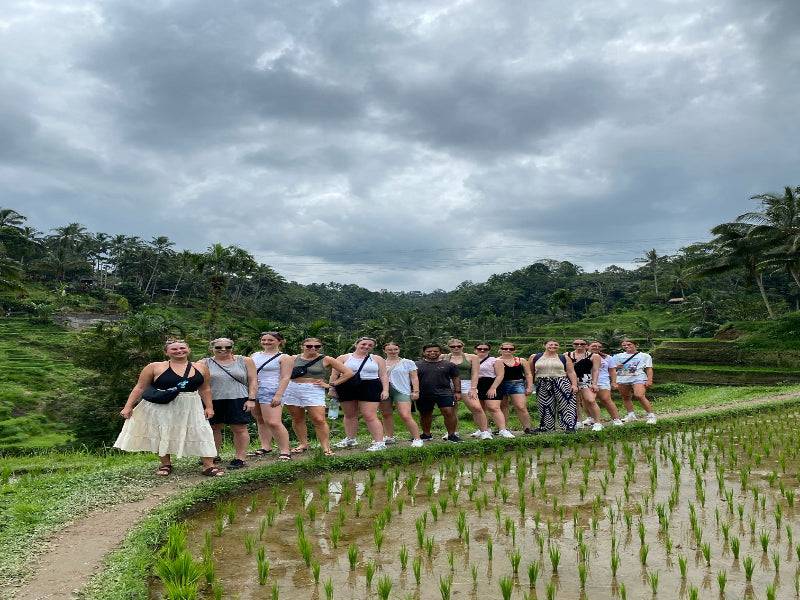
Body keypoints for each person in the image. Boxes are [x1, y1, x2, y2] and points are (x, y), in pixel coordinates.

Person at [114, 339, 224, 477]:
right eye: (174, 349)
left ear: (188, 350)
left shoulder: (200, 367)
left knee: (202, 431)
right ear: (166, 352)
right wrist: (128, 406)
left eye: (182, 348)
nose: (179, 351)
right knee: (162, 432)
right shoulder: (155, 367)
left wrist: (209, 407)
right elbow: (140, 387)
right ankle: (165, 464)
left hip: (191, 405)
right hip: (162, 406)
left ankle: (208, 465)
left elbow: (205, 388)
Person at [285, 337, 353, 456]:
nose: (313, 348)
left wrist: (330, 385)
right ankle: (303, 444)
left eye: (317, 346)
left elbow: (348, 373)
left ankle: (326, 447)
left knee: (319, 419)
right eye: (309, 346)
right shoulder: (292, 358)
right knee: (297, 418)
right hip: (292, 388)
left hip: (313, 389)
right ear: (302, 346)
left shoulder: (326, 359)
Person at [200, 338, 258, 470]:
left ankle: (240, 458)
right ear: (212, 349)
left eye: (227, 347)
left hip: (238, 398)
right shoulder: (205, 362)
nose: (223, 350)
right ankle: (213, 454)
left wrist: (251, 399)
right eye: (219, 347)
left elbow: (253, 380)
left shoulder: (245, 361)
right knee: (214, 428)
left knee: (239, 428)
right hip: (213, 399)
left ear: (233, 348)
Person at [329, 337, 390, 452]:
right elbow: (334, 375)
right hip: (346, 386)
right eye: (363, 344)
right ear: (356, 344)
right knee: (349, 414)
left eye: (370, 345)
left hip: (370, 386)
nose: (366, 346)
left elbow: (383, 375)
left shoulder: (377, 359)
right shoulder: (343, 358)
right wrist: (332, 389)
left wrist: (385, 390)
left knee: (369, 415)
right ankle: (350, 439)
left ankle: (379, 442)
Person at [251, 331, 293, 460]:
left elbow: (286, 377)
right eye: (264, 340)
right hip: (254, 390)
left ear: (279, 341)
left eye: (270, 340)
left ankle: (285, 450)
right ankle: (265, 446)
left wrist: (279, 395)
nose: (266, 342)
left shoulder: (284, 357)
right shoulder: (255, 355)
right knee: (260, 419)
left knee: (274, 422)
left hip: (272, 390)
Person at [444, 338, 491, 440]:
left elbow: (475, 373)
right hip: (449, 383)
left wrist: (473, 388)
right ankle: (452, 432)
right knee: (451, 410)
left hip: (466, 383)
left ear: (463, 346)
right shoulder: (444, 358)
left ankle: (485, 431)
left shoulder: (472, 357)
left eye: (458, 346)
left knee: (476, 407)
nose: (456, 348)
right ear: (449, 347)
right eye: (453, 346)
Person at [530, 340, 579, 432]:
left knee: (567, 404)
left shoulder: (564, 357)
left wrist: (574, 385)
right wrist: (530, 385)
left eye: (556, 345)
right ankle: (546, 427)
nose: (553, 346)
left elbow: (571, 372)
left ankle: (569, 426)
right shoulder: (535, 357)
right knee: (544, 405)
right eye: (550, 344)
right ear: (545, 345)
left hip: (561, 381)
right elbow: (531, 372)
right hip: (542, 382)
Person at [415, 344, 461, 442]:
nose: (432, 353)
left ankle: (451, 435)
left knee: (449, 412)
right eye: (429, 351)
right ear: (424, 353)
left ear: (440, 352)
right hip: (424, 393)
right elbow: (412, 378)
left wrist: (458, 391)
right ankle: (426, 434)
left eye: (435, 351)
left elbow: (456, 378)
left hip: (445, 392)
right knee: (425, 414)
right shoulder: (417, 365)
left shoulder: (449, 364)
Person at [381, 342, 424, 447]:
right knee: (386, 414)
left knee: (405, 415)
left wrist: (416, 391)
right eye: (389, 350)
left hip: (402, 390)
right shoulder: (380, 362)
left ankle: (417, 438)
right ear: (385, 351)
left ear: (399, 349)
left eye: (395, 349)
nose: (393, 352)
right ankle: (389, 437)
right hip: (384, 390)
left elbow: (414, 377)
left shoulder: (407, 362)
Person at [610, 339, 656, 424]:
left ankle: (651, 415)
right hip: (622, 378)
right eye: (624, 345)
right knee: (625, 397)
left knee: (639, 395)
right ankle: (631, 415)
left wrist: (649, 380)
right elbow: (611, 368)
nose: (627, 346)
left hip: (638, 377)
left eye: (629, 344)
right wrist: (617, 366)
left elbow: (649, 368)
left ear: (636, 345)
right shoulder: (617, 356)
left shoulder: (645, 356)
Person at [566, 339, 604, 432]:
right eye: (576, 343)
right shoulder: (567, 355)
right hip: (570, 380)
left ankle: (598, 422)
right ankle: (578, 421)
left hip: (586, 380)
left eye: (582, 344)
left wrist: (594, 383)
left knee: (590, 400)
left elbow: (595, 370)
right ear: (573, 345)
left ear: (586, 345)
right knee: (575, 402)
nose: (579, 345)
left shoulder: (594, 356)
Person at [498, 342, 535, 434]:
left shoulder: (521, 360)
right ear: (500, 350)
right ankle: (503, 428)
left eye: (510, 349)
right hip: (500, 384)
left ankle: (527, 428)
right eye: (505, 349)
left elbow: (528, 374)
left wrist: (530, 386)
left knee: (521, 406)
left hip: (517, 384)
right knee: (503, 407)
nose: (508, 350)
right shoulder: (496, 360)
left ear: (514, 350)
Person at [474, 342, 507, 438]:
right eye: (480, 348)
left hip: (491, 383)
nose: (482, 350)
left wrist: (493, 388)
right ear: (475, 350)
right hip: (476, 385)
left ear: (489, 350)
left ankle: (502, 429)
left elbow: (500, 375)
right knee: (478, 409)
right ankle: (483, 429)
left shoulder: (495, 360)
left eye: (485, 349)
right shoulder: (471, 359)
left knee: (494, 407)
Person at [588, 341, 624, 426]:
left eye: (599, 346)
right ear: (588, 346)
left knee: (606, 399)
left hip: (603, 380)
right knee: (588, 401)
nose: (596, 347)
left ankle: (616, 419)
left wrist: (614, 382)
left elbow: (612, 370)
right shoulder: (583, 356)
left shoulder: (607, 357)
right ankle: (591, 418)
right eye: (593, 346)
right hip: (587, 381)